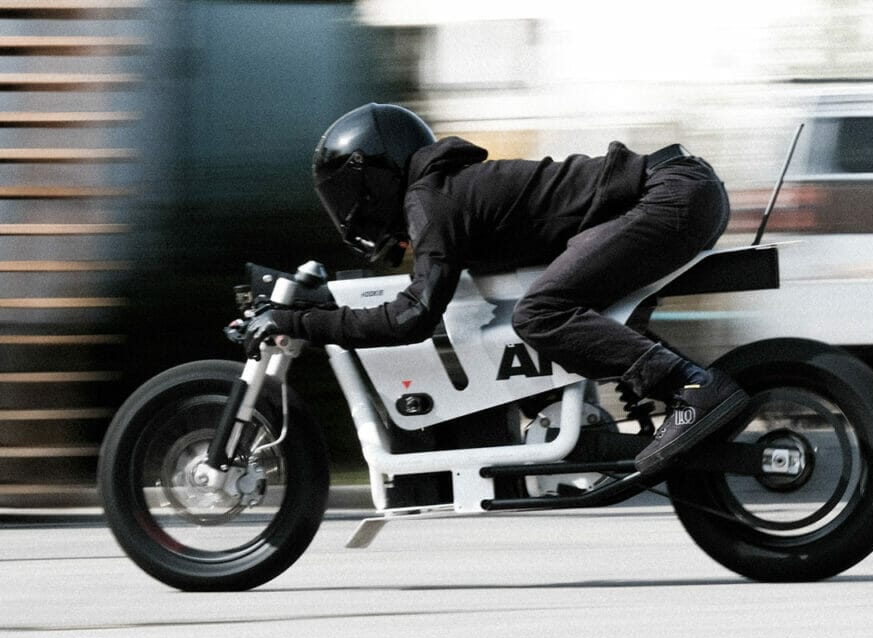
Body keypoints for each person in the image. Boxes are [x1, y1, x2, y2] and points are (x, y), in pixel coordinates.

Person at [244, 102, 749, 477]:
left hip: (670, 195)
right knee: (541, 307)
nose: (349, 209)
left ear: (371, 177)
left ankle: (692, 388)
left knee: (542, 313)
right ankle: (669, 400)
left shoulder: (431, 202)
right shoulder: (444, 195)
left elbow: (410, 317)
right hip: (679, 191)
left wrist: (298, 321)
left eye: (347, 195)